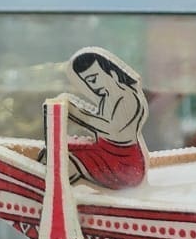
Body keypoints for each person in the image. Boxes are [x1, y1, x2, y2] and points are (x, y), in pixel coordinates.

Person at [61, 48, 149, 189]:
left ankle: (55, 193)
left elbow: (111, 129)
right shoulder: (107, 97)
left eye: (94, 80)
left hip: (124, 165)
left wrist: (76, 113)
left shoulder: (128, 98)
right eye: (88, 82)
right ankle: (50, 188)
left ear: (113, 74)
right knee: (59, 150)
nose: (93, 86)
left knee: (67, 161)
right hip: (103, 152)